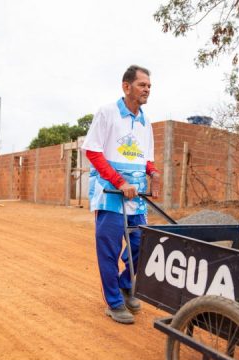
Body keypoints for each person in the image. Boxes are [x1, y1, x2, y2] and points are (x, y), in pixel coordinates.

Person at [81, 65, 161, 324]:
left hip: (136, 197)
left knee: (140, 246)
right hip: (110, 194)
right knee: (110, 249)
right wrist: (118, 180)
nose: (147, 89)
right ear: (126, 87)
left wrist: (154, 173)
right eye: (142, 84)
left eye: (149, 85)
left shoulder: (146, 121)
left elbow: (146, 158)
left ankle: (127, 286)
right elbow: (92, 151)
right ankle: (114, 302)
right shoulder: (107, 113)